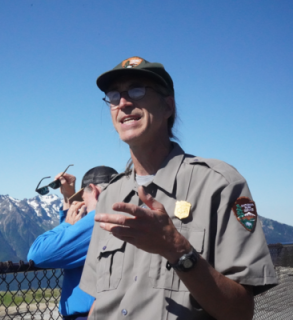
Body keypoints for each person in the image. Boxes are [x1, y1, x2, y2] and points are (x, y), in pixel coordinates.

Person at [79, 56, 278, 320]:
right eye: (114, 96)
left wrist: (176, 249)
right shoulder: (110, 198)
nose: (123, 103)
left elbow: (240, 312)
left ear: (168, 107)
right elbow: (100, 300)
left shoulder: (219, 185)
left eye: (137, 90)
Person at [28, 166, 118, 320]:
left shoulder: (99, 219)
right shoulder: (123, 215)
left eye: (83, 197)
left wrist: (67, 224)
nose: (83, 203)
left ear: (94, 190)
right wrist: (68, 199)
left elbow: (38, 254)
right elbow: (72, 246)